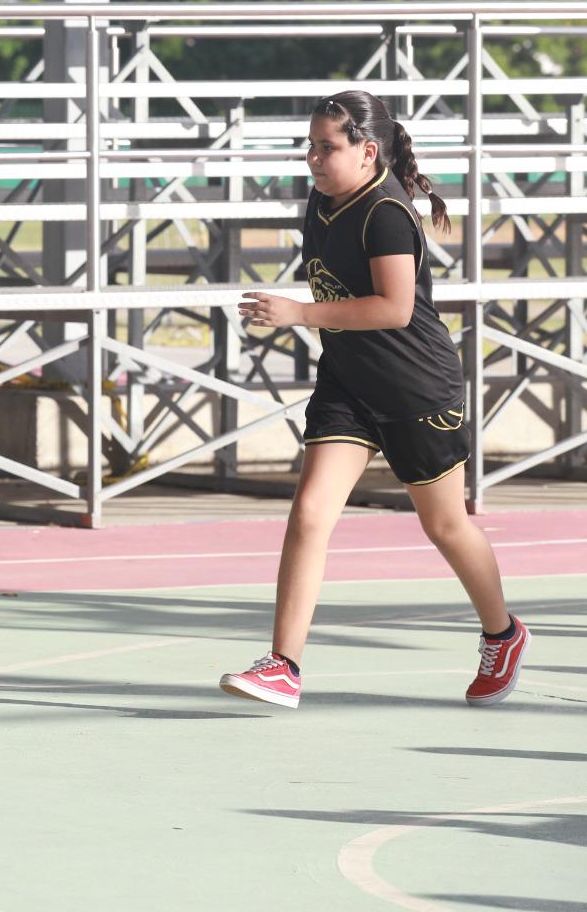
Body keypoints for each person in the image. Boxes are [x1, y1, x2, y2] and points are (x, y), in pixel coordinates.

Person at [222, 89, 527, 709]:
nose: (313, 158)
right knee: (309, 512)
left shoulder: (387, 212)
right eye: (309, 146)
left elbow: (395, 308)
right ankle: (283, 664)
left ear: (366, 151)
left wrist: (299, 313)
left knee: (443, 525)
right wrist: (306, 318)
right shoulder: (323, 199)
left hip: (417, 387)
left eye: (326, 148)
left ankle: (503, 632)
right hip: (348, 383)